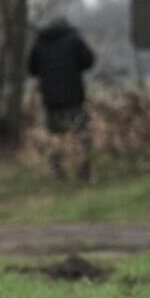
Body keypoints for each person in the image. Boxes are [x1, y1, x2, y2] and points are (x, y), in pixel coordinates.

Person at [28, 17, 96, 181]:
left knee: (54, 137)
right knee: (81, 135)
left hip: (50, 100)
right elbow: (89, 61)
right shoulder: (73, 39)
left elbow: (31, 68)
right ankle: (83, 173)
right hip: (74, 97)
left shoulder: (39, 42)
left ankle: (58, 174)